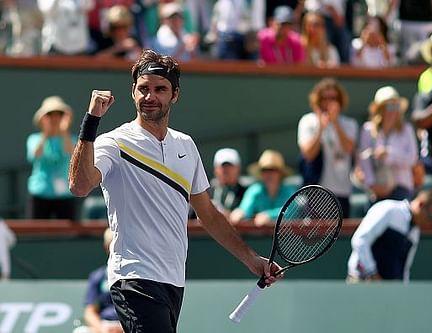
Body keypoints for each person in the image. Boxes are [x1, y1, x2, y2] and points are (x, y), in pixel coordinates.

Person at [68, 49, 281, 333]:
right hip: (134, 276)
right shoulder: (114, 143)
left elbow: (207, 213)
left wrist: (251, 259)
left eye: (159, 89)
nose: (150, 96)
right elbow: (80, 185)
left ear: (175, 94)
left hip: (173, 281)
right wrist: (91, 121)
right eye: (143, 89)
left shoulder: (186, 146)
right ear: (133, 92)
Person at [346, 190, 432, 282]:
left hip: (389, 289)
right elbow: (360, 240)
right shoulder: (390, 210)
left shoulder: (415, 232)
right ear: (420, 205)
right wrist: (372, 273)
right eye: (431, 217)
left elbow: (405, 267)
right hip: (363, 281)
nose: (430, 223)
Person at [297, 77, 357, 218]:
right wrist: (321, 128)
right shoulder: (308, 121)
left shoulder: (349, 124)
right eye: (324, 98)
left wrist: (335, 123)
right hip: (315, 193)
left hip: (341, 192)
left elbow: (348, 148)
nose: (329, 102)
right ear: (318, 99)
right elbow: (308, 154)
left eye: (333, 98)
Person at [355, 86, 419, 204]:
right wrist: (373, 185)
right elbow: (363, 161)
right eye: (389, 106)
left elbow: (412, 159)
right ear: (380, 109)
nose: (393, 110)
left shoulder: (407, 130)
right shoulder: (368, 130)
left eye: (396, 106)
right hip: (376, 193)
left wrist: (389, 154)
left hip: (402, 190)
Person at [27, 96, 78, 220]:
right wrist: (46, 134)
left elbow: (74, 157)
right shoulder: (34, 139)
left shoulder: (71, 139)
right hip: (40, 194)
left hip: (65, 195)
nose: (55, 118)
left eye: (59, 114)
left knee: (67, 235)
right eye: (50, 115)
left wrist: (64, 131)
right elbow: (34, 156)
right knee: (38, 232)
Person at [73, 228, 123, 333]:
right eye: (112, 245)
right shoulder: (98, 276)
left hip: (132, 325)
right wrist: (103, 329)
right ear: (106, 247)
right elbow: (90, 312)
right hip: (105, 325)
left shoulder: (138, 277)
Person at [230, 149, 297, 227]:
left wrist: (269, 216)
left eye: (273, 170)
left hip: (286, 237)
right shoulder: (254, 191)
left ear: (280, 173)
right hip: (259, 238)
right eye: (265, 170)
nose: (269, 174)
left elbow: (292, 213)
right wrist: (240, 213)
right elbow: (244, 210)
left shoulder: (289, 191)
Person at [210, 148, 247, 217]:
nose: (226, 170)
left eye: (230, 167)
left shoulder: (247, 193)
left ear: (238, 169)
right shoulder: (206, 193)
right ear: (215, 169)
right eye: (222, 167)